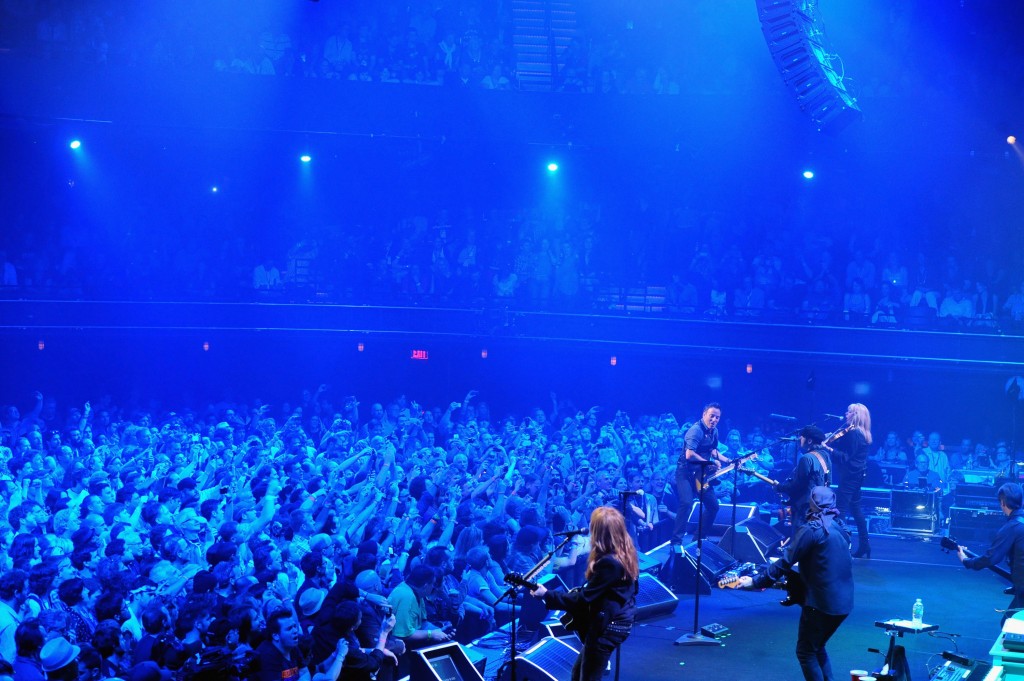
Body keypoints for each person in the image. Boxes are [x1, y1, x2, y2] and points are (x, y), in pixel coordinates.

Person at [737, 487, 854, 681]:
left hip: (821, 604)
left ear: (812, 503)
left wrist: (756, 582)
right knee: (817, 647)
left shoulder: (812, 530)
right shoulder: (840, 527)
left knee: (806, 652)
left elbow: (785, 562)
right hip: (844, 603)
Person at [528, 506, 638, 681]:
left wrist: (547, 594)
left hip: (608, 626)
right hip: (619, 617)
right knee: (578, 674)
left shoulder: (609, 563)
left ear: (599, 532)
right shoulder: (624, 551)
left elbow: (584, 598)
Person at [958, 482, 1024, 624]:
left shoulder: (1012, 527)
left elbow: (991, 558)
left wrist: (966, 560)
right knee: (1010, 623)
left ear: (1002, 502)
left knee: (1010, 624)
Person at [671, 403, 730, 544]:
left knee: (713, 506)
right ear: (704, 414)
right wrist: (709, 463)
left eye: (717, 417)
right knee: (686, 503)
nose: (714, 420)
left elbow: (713, 450)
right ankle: (676, 541)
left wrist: (728, 460)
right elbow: (689, 454)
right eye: (712, 416)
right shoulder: (695, 430)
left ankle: (698, 538)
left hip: (700, 475)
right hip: (685, 473)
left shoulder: (714, 431)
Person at [833, 404, 873, 558]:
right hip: (858, 474)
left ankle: (840, 548)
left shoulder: (854, 433)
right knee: (856, 509)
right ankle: (864, 545)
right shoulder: (862, 432)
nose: (846, 413)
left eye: (849, 411)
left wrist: (829, 449)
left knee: (840, 510)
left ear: (856, 415)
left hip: (850, 475)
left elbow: (844, 457)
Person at [776, 426, 832, 531]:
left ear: (809, 441)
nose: (799, 440)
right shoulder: (825, 455)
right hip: (820, 504)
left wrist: (780, 487)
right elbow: (828, 480)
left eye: (801, 437)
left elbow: (797, 485)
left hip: (804, 507)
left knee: (800, 535)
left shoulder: (806, 458)